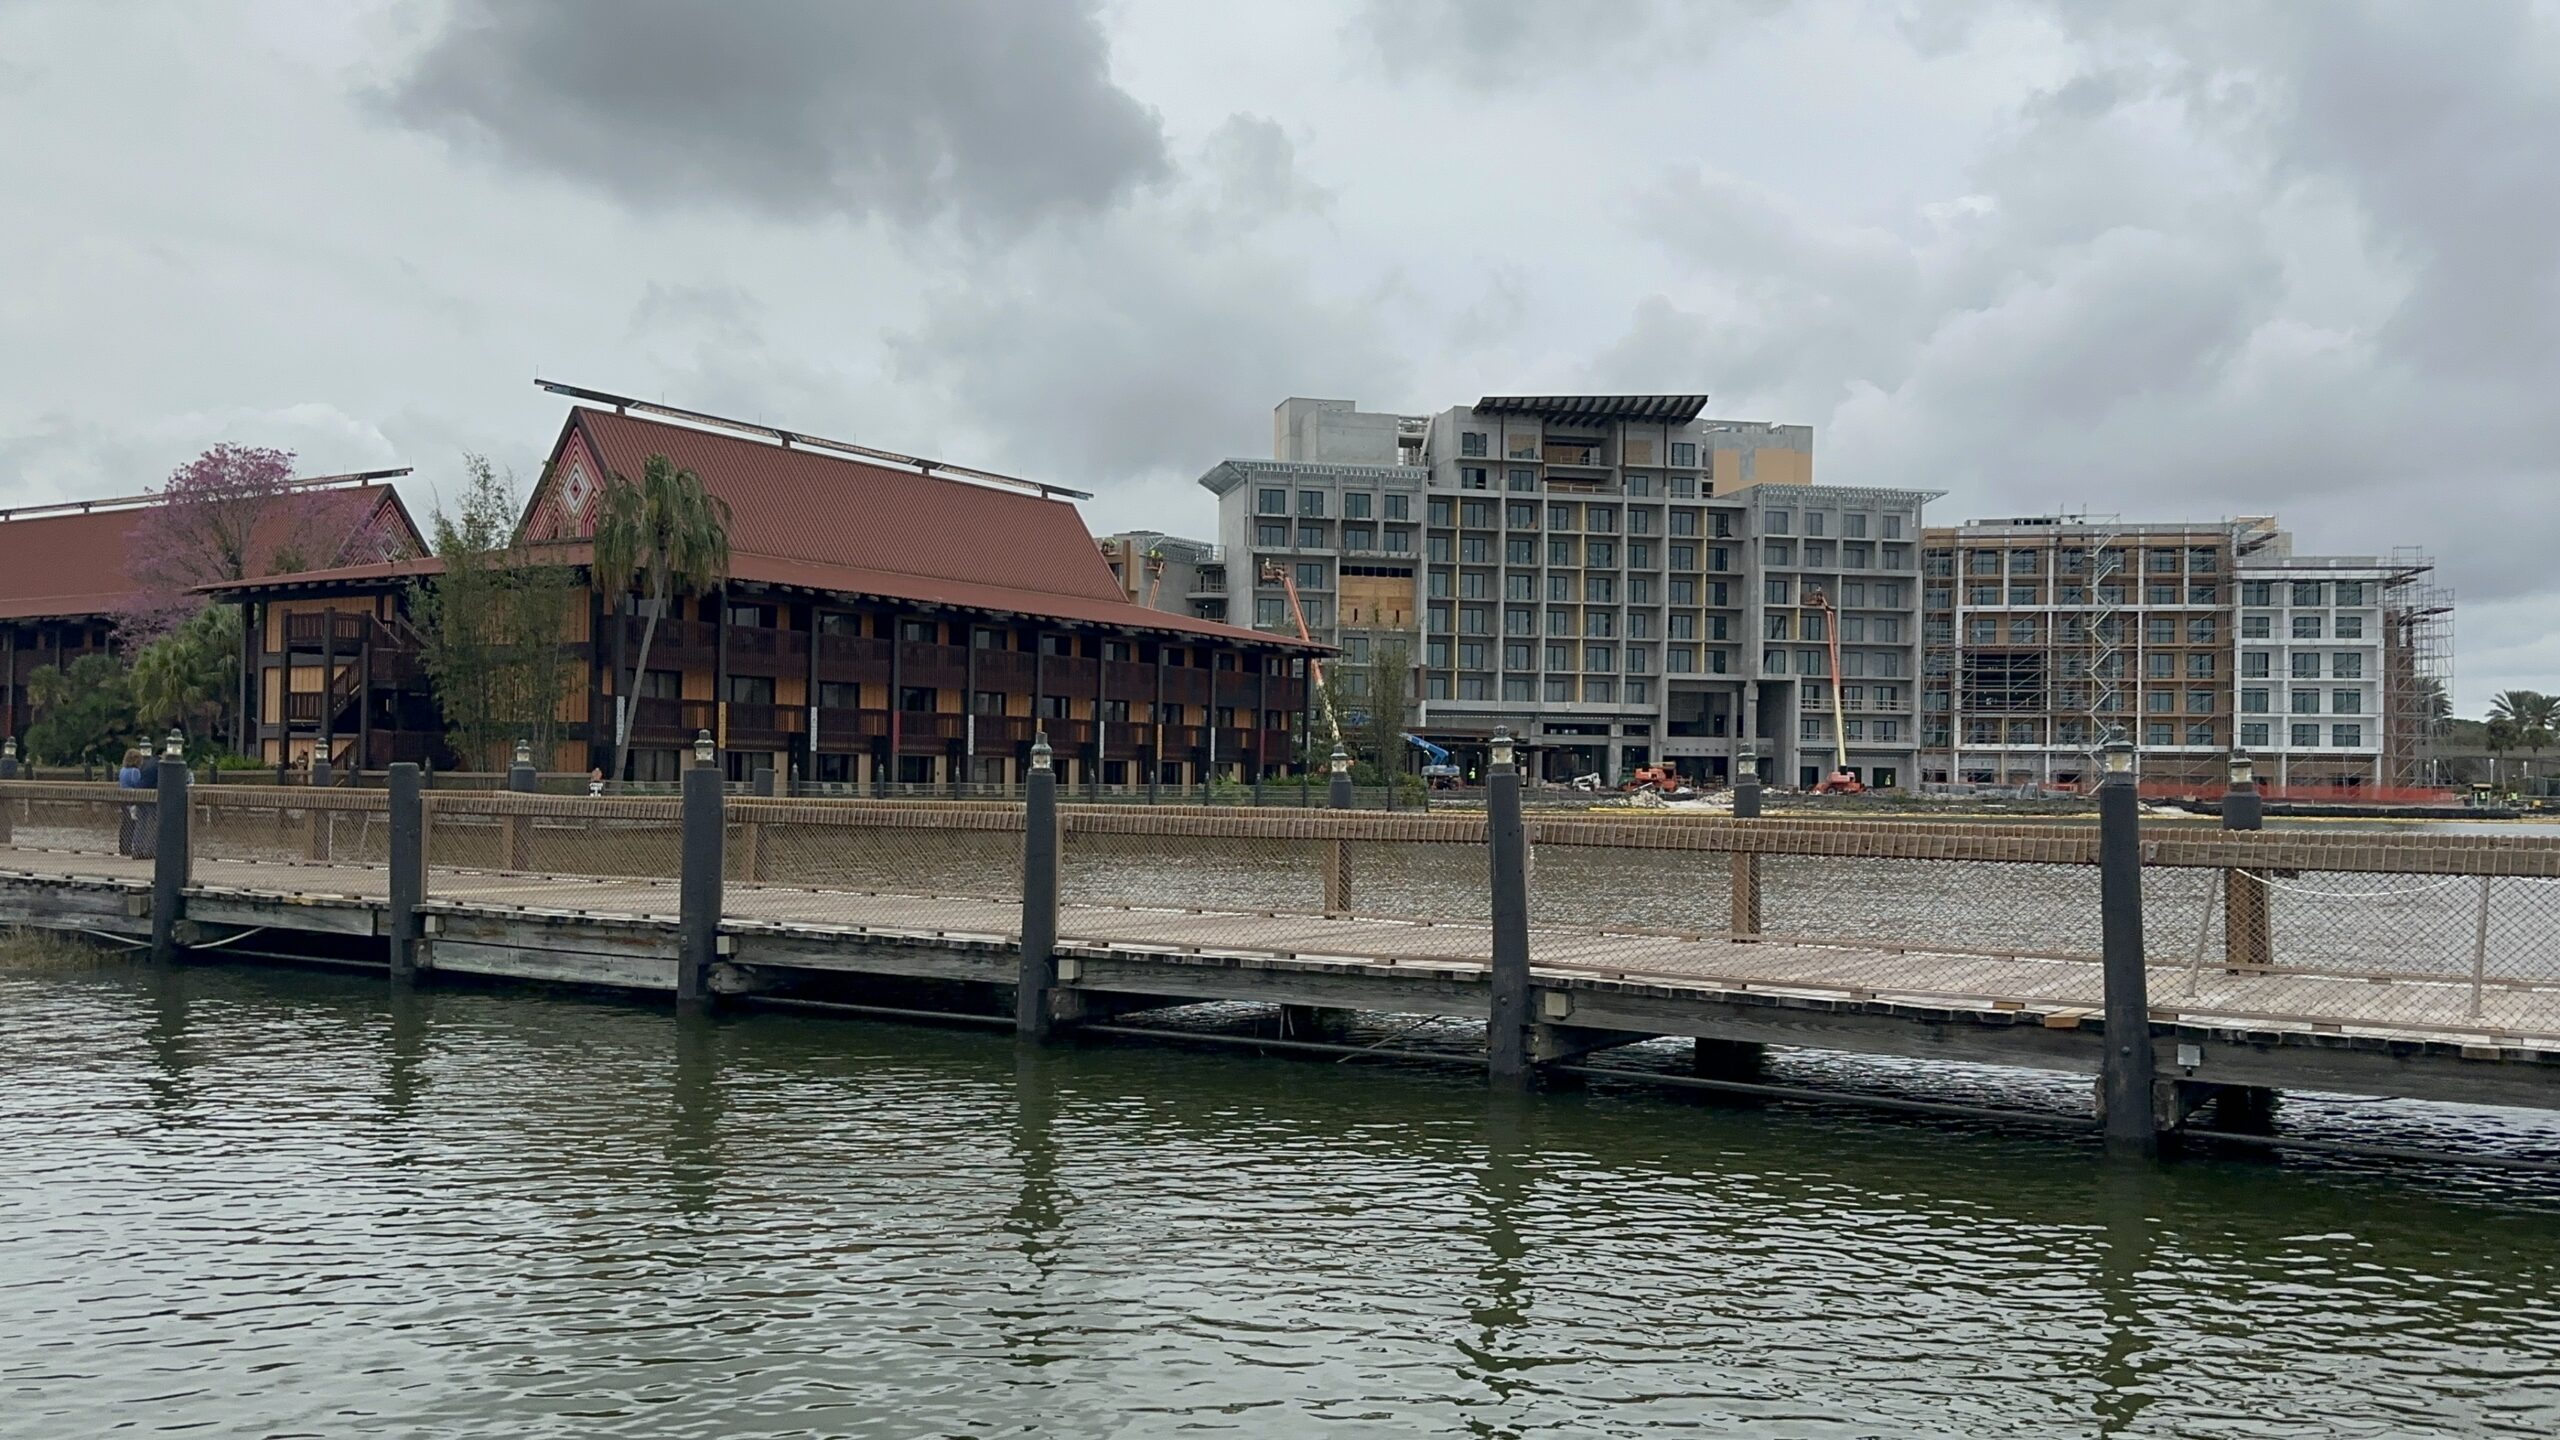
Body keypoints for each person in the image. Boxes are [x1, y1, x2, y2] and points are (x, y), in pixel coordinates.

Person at [132, 745, 160, 860]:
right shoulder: (160, 764)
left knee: (141, 822)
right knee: (153, 823)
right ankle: (149, 850)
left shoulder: (146, 763)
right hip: (152, 798)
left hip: (140, 796)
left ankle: (137, 849)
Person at [115, 747, 145, 856]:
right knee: (133, 824)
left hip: (123, 799)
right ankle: (130, 847)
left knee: (125, 823)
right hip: (132, 800)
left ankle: (123, 846)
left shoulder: (122, 770)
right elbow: (137, 784)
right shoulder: (135, 771)